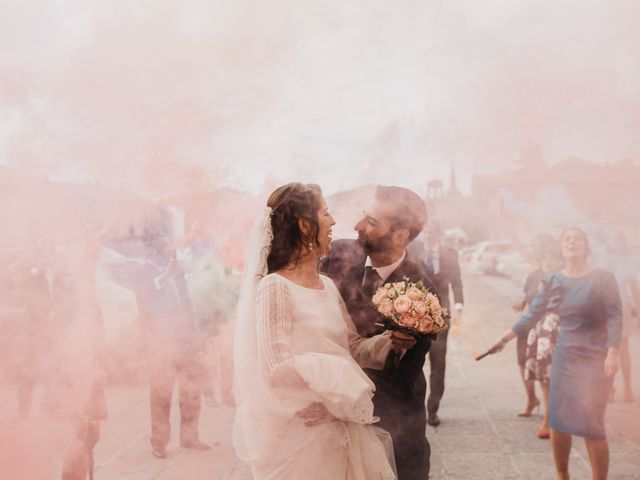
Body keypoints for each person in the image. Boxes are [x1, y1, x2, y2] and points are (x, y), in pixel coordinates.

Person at [233, 182, 403, 479]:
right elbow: (276, 367)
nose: (334, 221)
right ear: (304, 225)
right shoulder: (275, 287)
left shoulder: (327, 285)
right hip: (303, 439)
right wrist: (332, 396)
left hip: (340, 430)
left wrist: (395, 341)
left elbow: (352, 348)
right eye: (326, 213)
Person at [488, 227, 622, 480]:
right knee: (559, 423)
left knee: (593, 425)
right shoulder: (552, 279)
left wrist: (613, 351)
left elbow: (615, 315)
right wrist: (504, 339)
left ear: (586, 247)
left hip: (596, 358)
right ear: (561, 248)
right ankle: (563, 476)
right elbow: (532, 313)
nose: (572, 242)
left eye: (578, 238)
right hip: (564, 357)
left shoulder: (603, 277)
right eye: (567, 239)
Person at [322, 185, 437, 480]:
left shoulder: (421, 295)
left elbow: (397, 376)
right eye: (364, 216)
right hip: (330, 418)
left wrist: (336, 406)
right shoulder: (337, 254)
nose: (358, 226)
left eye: (372, 222)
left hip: (394, 422)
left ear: (400, 236)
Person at [106, 212, 209, 459]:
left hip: (185, 337)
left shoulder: (176, 269)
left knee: (191, 387)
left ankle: (190, 436)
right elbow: (148, 306)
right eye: (163, 244)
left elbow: (186, 302)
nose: (169, 248)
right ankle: (159, 442)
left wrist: (195, 334)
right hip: (161, 340)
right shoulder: (143, 272)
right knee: (162, 391)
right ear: (152, 247)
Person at [408, 222, 464, 427]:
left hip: (442, 315)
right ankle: (415, 407)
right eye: (428, 231)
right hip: (416, 315)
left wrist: (459, 305)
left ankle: (432, 409)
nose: (431, 234)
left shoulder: (450, 253)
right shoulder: (413, 250)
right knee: (414, 362)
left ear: (439, 234)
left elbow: (457, 281)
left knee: (439, 363)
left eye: (434, 231)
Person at [512, 234, 562, 438]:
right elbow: (528, 299)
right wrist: (521, 305)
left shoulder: (560, 277)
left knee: (546, 374)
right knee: (524, 364)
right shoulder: (534, 276)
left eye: (552, 258)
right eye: (545, 258)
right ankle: (532, 400)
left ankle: (550, 417)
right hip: (529, 326)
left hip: (550, 331)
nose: (548, 262)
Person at [598, 230, 638, 402]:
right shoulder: (601, 260)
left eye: (619, 239)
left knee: (622, 349)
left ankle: (628, 386)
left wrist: (638, 311)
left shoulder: (628, 262)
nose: (615, 242)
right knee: (604, 349)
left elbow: (634, 289)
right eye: (612, 239)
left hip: (622, 309)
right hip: (603, 308)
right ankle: (610, 388)